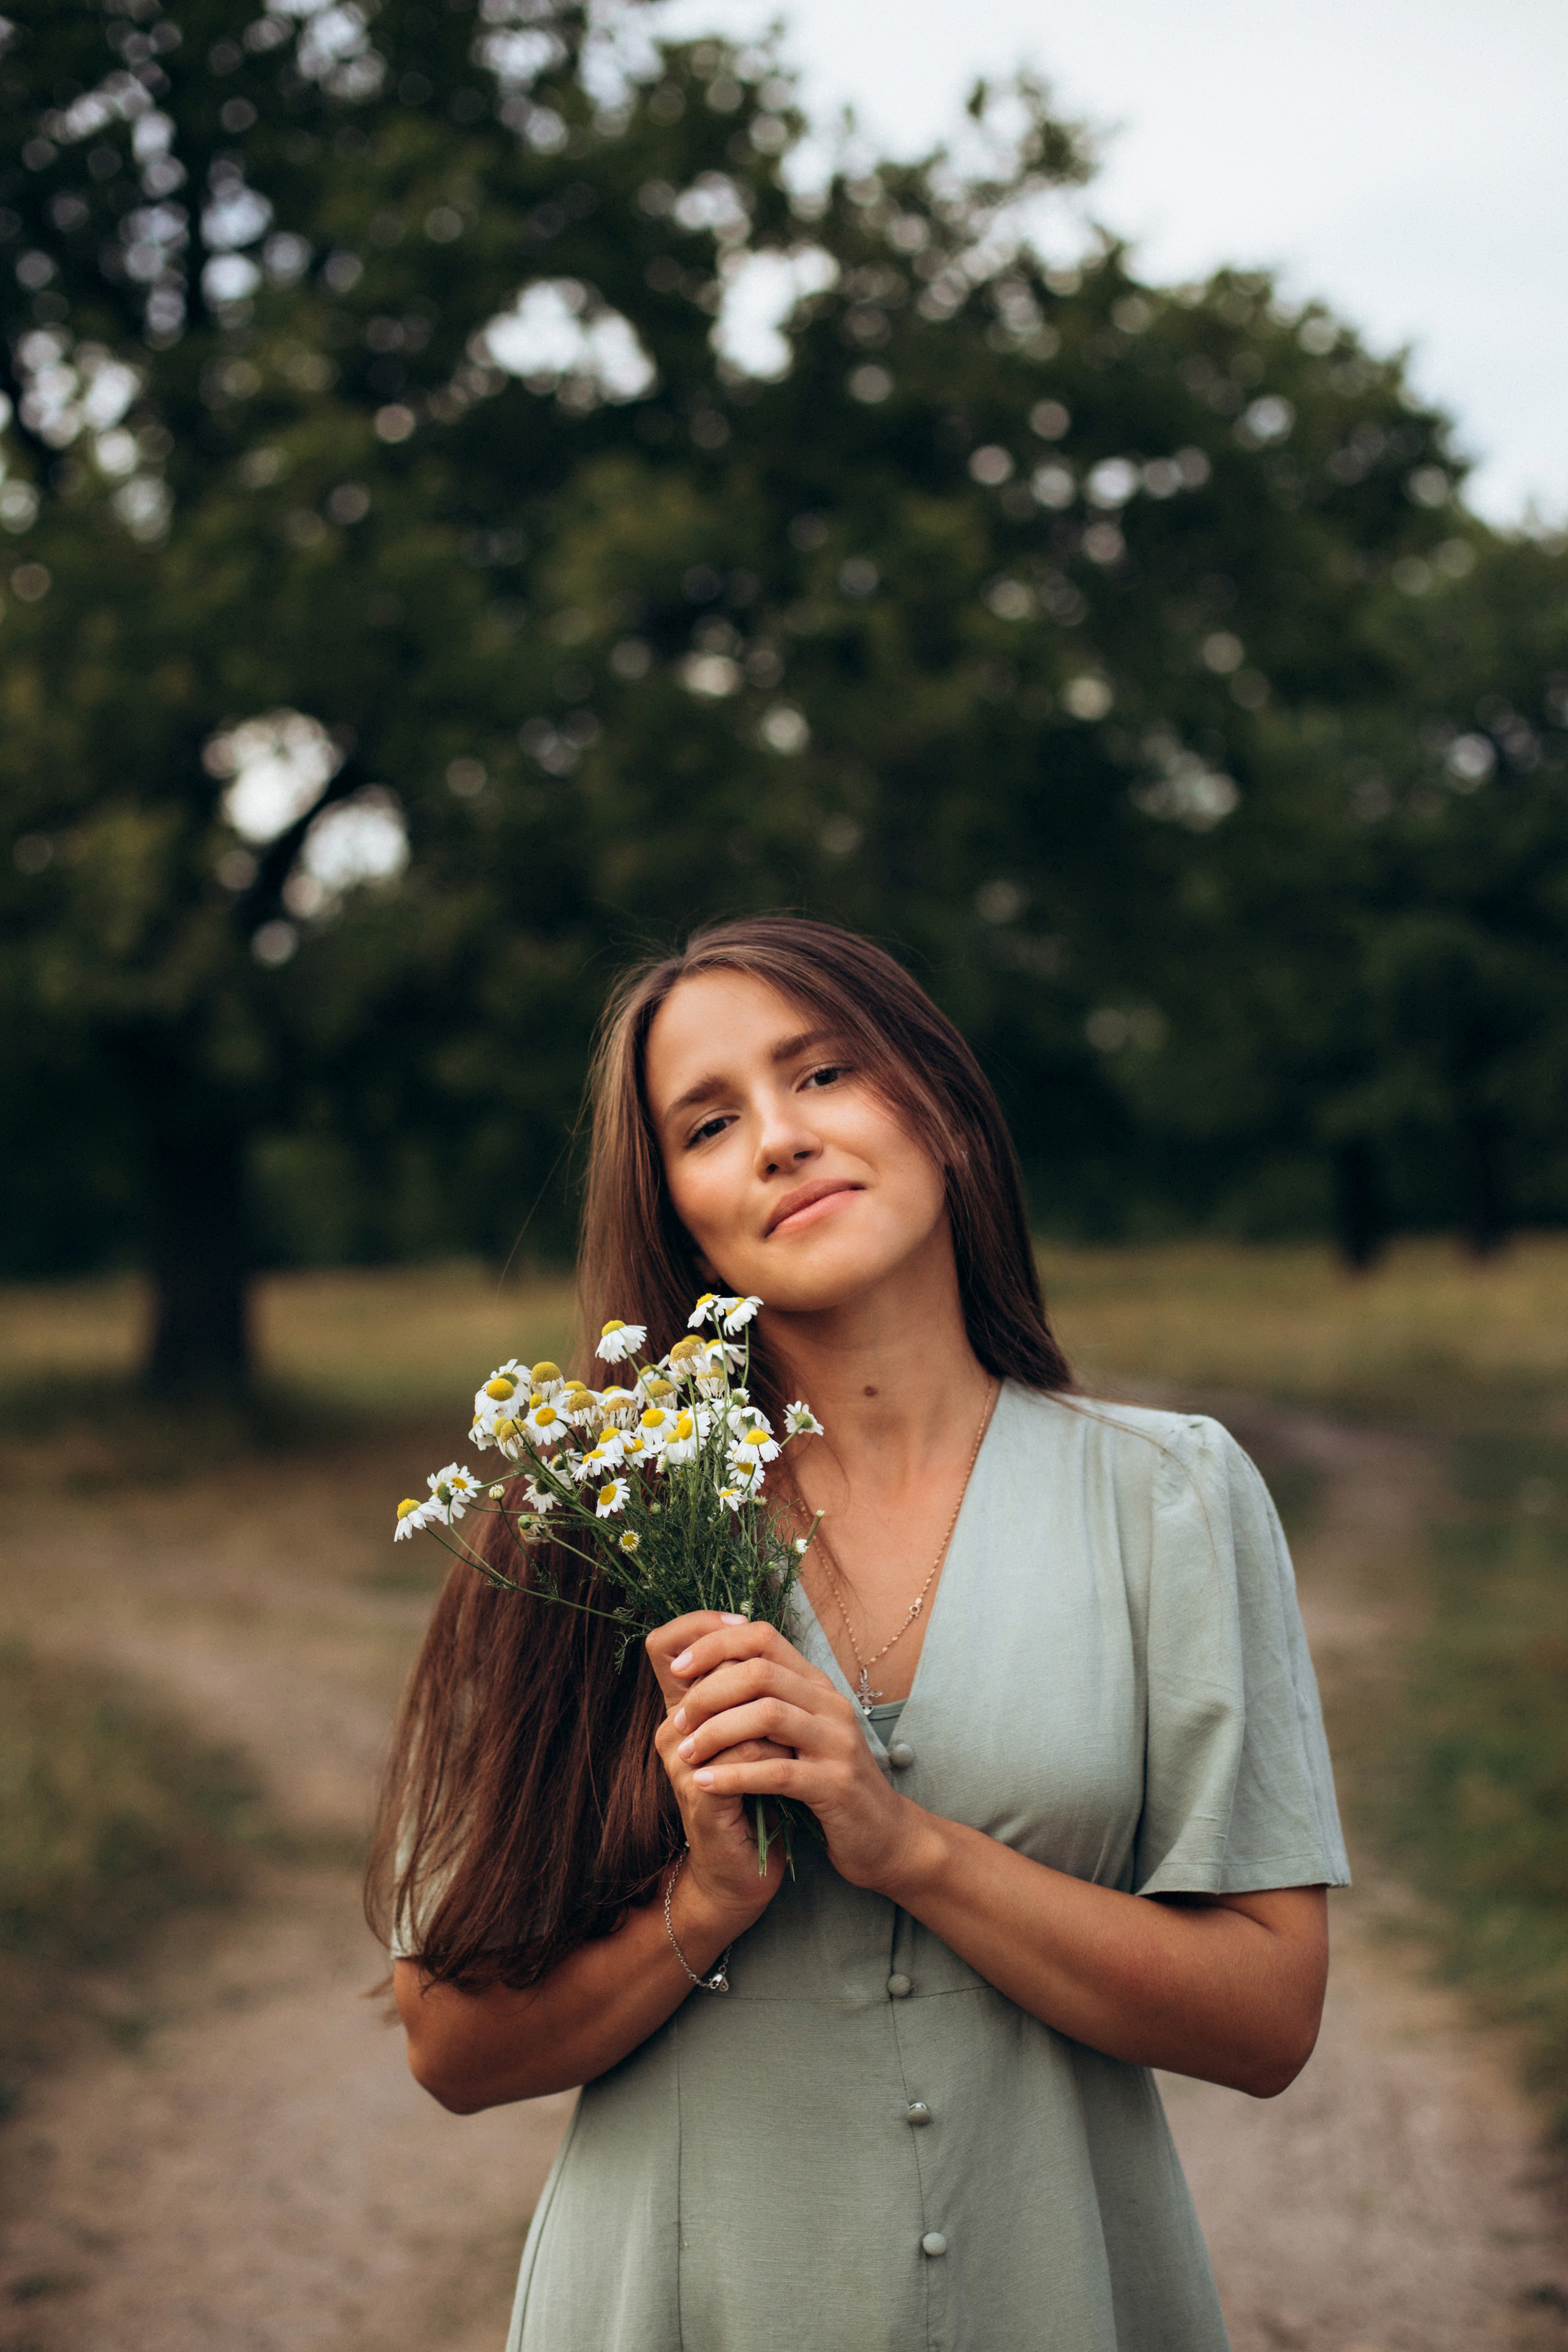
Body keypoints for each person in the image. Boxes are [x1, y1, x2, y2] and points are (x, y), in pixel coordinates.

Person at [368, 914, 1349, 2352]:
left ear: (939, 1107)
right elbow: (451, 2048)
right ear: (678, 1212)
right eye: (708, 1123)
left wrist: (912, 1853)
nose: (776, 1138)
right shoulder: (584, 1523)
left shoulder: (1172, 1497)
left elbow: (1265, 2019)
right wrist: (699, 1908)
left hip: (1060, 2295)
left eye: (820, 1074)